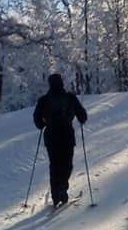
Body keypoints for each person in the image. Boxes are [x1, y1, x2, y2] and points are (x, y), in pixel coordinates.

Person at [33, 73, 88, 207]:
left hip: (51, 136)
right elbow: (83, 115)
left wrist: (42, 124)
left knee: (55, 165)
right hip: (67, 135)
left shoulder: (43, 100)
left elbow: (37, 119)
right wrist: (80, 118)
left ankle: (56, 194)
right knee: (67, 164)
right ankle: (62, 188)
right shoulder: (70, 97)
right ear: (62, 83)